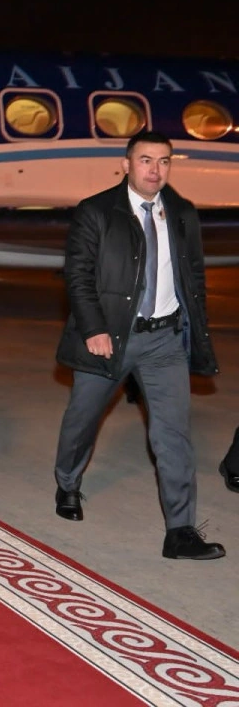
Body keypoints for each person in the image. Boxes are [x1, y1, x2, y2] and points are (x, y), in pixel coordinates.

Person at [54, 131, 224, 560]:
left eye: (164, 161)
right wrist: (94, 329)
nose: (155, 170)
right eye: (146, 160)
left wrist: (195, 328)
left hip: (165, 340)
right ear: (126, 164)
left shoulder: (182, 212)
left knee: (173, 435)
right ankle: (68, 482)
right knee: (82, 420)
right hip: (109, 338)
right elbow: (77, 276)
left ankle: (180, 531)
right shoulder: (96, 211)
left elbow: (194, 276)